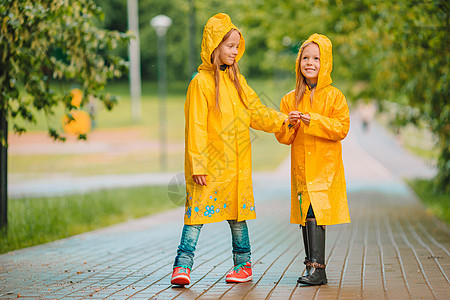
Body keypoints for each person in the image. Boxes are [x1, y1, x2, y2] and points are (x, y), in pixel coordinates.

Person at [170, 13, 288, 286]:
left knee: (237, 216)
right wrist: (197, 165)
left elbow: (257, 113)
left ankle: (243, 265)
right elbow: (196, 127)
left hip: (236, 165)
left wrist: (283, 120)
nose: (235, 51)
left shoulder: (238, 82)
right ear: (215, 46)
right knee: (196, 213)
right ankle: (182, 266)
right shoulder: (200, 84)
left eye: (237, 46)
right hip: (210, 164)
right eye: (230, 46)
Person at [275, 34, 351, 286]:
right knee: (305, 213)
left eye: (316, 58)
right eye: (305, 58)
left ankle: (318, 269)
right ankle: (311, 266)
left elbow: (341, 128)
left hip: (324, 166)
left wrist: (314, 120)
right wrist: (290, 123)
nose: (310, 63)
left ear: (325, 63)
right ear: (298, 62)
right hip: (301, 166)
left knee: (315, 211)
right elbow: (283, 137)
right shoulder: (290, 98)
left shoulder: (335, 96)